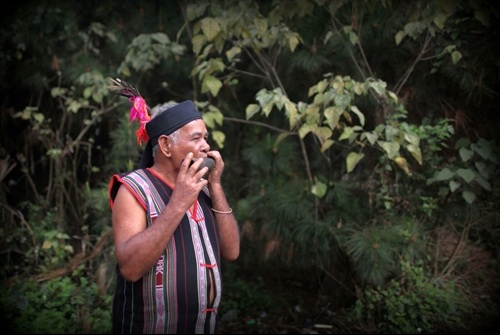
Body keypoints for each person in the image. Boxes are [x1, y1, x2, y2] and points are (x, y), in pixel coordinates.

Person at [107, 80, 240, 334]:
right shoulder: (134, 189)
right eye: (197, 138)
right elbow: (130, 269)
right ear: (167, 145)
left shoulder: (203, 189)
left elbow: (232, 251)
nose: (206, 146)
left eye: (206, 138)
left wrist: (216, 186)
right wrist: (178, 202)